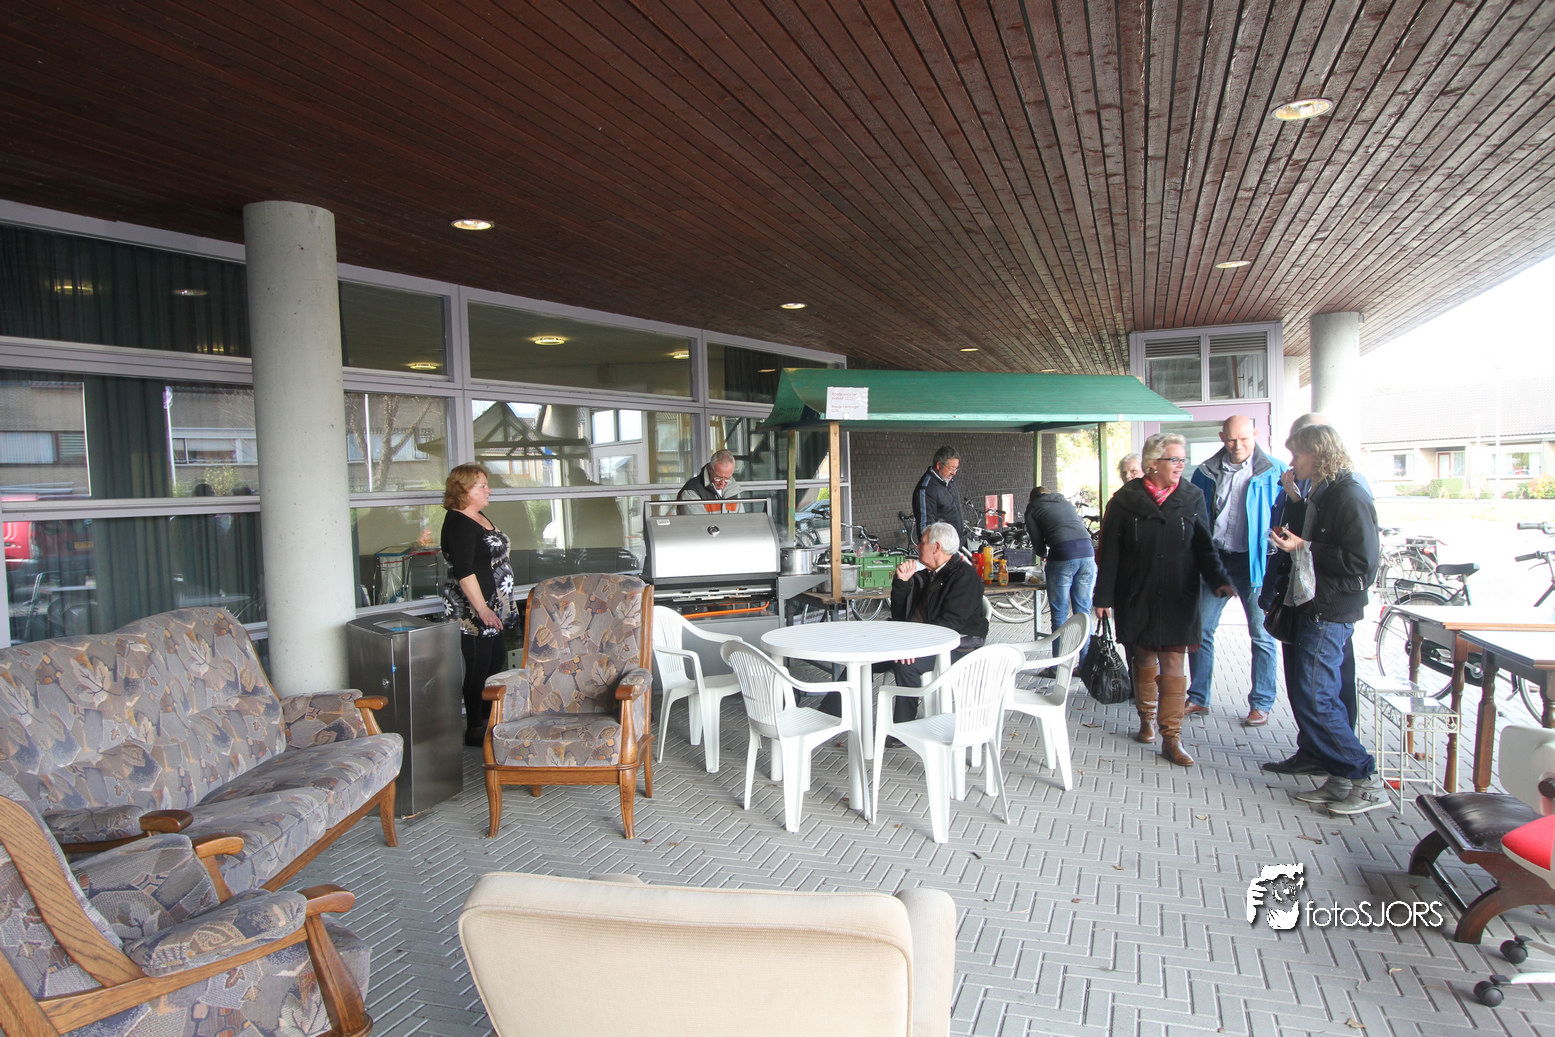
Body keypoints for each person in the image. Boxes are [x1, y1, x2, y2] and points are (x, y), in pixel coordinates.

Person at [1264, 423, 1385, 815]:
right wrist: (1292, 500)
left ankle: (1364, 779)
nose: (1292, 461)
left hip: (1330, 609)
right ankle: (1339, 776)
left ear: (1317, 454)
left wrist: (1306, 546)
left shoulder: (1349, 494)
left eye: (1297, 454)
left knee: (1317, 697)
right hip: (1311, 604)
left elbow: (1363, 562)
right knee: (1309, 695)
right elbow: (1304, 534)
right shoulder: (1320, 490)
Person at [1093, 432, 1233, 767]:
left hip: (1178, 596)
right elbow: (1110, 553)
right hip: (1137, 593)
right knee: (1143, 659)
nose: (1181, 465)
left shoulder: (1192, 496)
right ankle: (1146, 721)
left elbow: (1204, 547)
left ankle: (1172, 738)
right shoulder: (1124, 500)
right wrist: (1103, 597)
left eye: (1183, 460)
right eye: (1174, 459)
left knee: (1173, 663)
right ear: (1153, 463)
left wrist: (1219, 580)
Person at [1185, 416, 1287, 726]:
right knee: (1200, 630)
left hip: (1254, 564)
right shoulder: (1204, 472)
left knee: (1262, 634)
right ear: (1221, 437)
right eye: (1231, 439)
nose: (1237, 445)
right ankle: (1198, 698)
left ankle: (1261, 704)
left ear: (1255, 434)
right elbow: (1193, 517)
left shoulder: (1276, 471)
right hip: (1215, 561)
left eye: (1244, 439)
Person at [441, 463, 519, 747]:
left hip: (493, 604)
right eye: (482, 486)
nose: (489, 490)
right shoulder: (458, 523)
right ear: (463, 490)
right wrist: (483, 609)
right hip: (473, 609)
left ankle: (489, 721)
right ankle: (475, 729)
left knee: (494, 663)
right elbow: (464, 572)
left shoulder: (476, 515)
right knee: (478, 668)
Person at [886, 521, 988, 722]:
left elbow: (951, 624)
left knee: (905, 665)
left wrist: (915, 646)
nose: (917, 546)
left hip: (954, 646)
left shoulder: (964, 576)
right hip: (916, 641)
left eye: (922, 542)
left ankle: (902, 728)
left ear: (937, 547)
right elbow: (900, 616)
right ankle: (831, 716)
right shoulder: (925, 576)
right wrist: (902, 582)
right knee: (863, 657)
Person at [1023, 486, 1095, 635]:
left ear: (1031, 498)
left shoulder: (1033, 507)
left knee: (1059, 614)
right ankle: (1087, 650)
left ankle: (1060, 651)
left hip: (1063, 554)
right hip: (1088, 554)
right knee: (1083, 613)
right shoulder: (1065, 503)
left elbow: (1036, 538)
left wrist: (1042, 553)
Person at [911, 447, 964, 540]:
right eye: (951, 468)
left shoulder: (948, 481)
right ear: (939, 465)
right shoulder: (927, 489)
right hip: (941, 546)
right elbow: (925, 528)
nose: (954, 473)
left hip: (954, 542)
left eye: (956, 469)